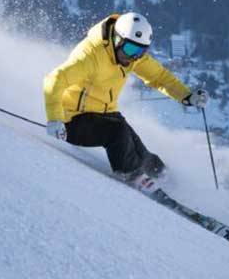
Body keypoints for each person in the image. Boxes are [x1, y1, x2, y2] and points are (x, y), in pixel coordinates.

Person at [43, 12, 208, 192]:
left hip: (105, 115)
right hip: (72, 122)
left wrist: (187, 96)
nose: (134, 57)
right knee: (118, 133)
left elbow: (159, 77)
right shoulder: (91, 56)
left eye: (141, 52)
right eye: (131, 50)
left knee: (138, 150)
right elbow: (54, 79)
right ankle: (132, 175)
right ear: (117, 39)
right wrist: (55, 119)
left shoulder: (130, 56)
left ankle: (169, 182)